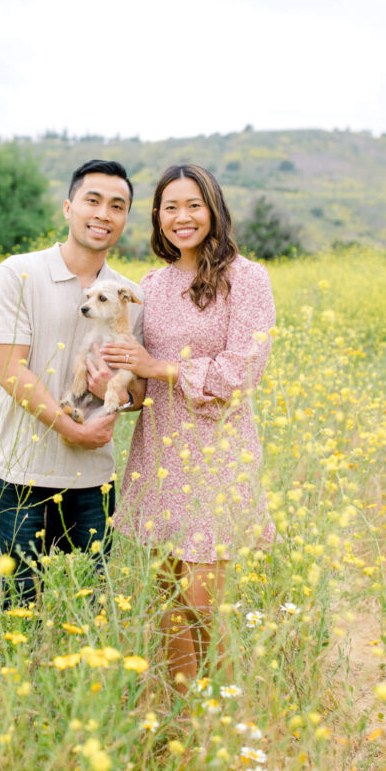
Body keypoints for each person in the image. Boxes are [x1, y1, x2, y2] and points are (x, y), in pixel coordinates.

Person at [101, 163, 276, 689]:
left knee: (205, 600)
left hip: (218, 449)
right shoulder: (150, 285)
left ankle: (223, 719)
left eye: (193, 205)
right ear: (157, 217)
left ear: (213, 209)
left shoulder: (247, 278)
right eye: (170, 207)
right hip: (160, 448)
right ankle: (182, 713)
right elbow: (140, 376)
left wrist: (160, 368)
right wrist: (115, 382)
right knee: (169, 598)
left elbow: (245, 368)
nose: (182, 217)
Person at [0, 160, 143, 605]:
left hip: (94, 481)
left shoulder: (130, 295)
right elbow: (10, 371)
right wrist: (75, 430)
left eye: (117, 206)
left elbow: (139, 392)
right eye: (92, 200)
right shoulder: (18, 274)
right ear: (68, 207)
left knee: (91, 610)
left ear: (125, 219)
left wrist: (119, 391)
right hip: (23, 476)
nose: (103, 214)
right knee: (22, 611)